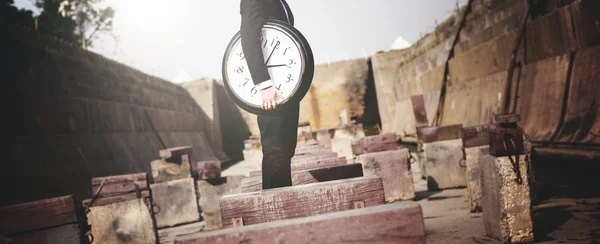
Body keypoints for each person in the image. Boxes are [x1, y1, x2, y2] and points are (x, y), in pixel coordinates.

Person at [240, 0, 298, 190]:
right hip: (270, 90)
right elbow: (249, 38)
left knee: (286, 148)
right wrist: (264, 84)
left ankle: (285, 204)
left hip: (286, 89)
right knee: (275, 151)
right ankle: (275, 214)